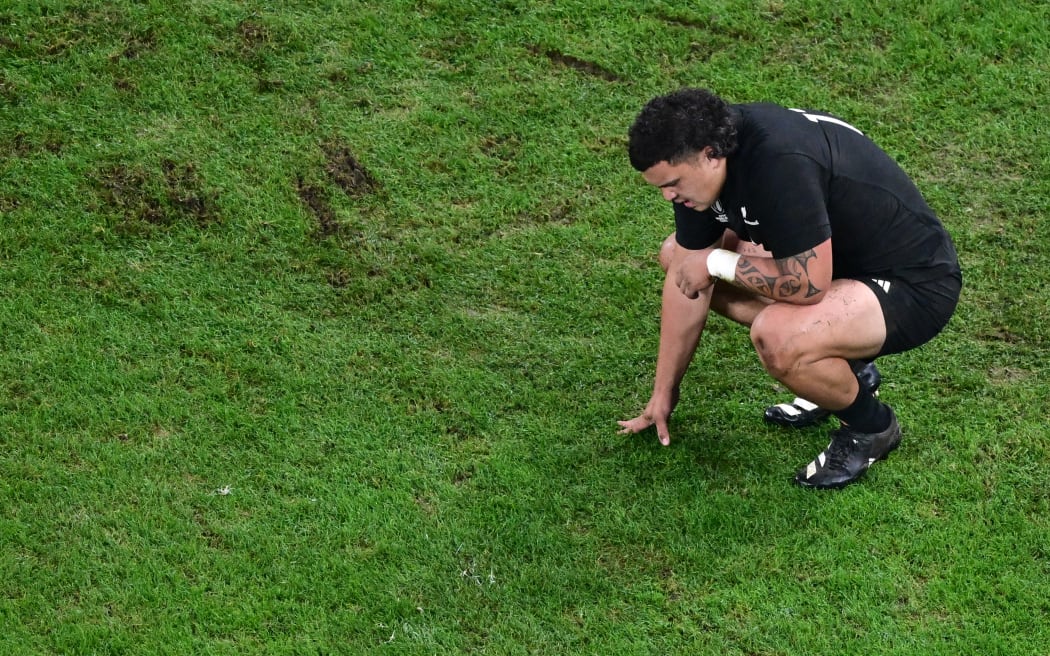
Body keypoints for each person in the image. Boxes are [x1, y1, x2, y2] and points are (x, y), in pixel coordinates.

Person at [617, 88, 961, 489]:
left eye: (672, 183)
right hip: (837, 262)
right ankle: (843, 367)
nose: (668, 196)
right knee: (677, 255)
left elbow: (810, 285)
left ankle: (871, 428)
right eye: (660, 187)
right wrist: (664, 392)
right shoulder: (699, 162)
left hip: (913, 283)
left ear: (710, 154)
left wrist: (717, 262)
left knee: (779, 338)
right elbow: (685, 280)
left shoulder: (779, 161)